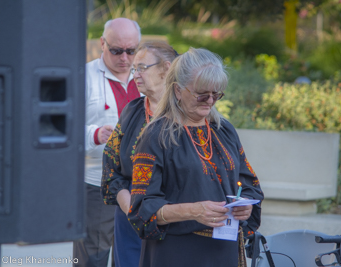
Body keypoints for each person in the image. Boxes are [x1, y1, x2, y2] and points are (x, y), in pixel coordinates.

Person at [128, 47, 264, 267]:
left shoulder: (224, 131)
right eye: (202, 94)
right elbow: (142, 208)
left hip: (223, 253)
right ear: (178, 91)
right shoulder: (156, 136)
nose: (210, 101)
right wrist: (193, 211)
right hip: (176, 254)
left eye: (216, 94)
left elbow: (249, 183)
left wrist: (245, 205)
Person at [101, 41, 178, 267]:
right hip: (128, 221)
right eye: (134, 69)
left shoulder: (187, 116)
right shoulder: (132, 111)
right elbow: (110, 167)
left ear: (166, 68)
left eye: (142, 67)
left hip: (172, 224)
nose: (135, 74)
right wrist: (133, 211)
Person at [75, 18, 141, 267]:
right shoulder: (84, 76)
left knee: (132, 254)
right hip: (96, 184)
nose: (124, 58)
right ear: (102, 43)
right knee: (93, 254)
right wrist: (94, 134)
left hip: (141, 182)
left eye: (131, 51)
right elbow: (63, 128)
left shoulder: (146, 75)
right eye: (116, 50)